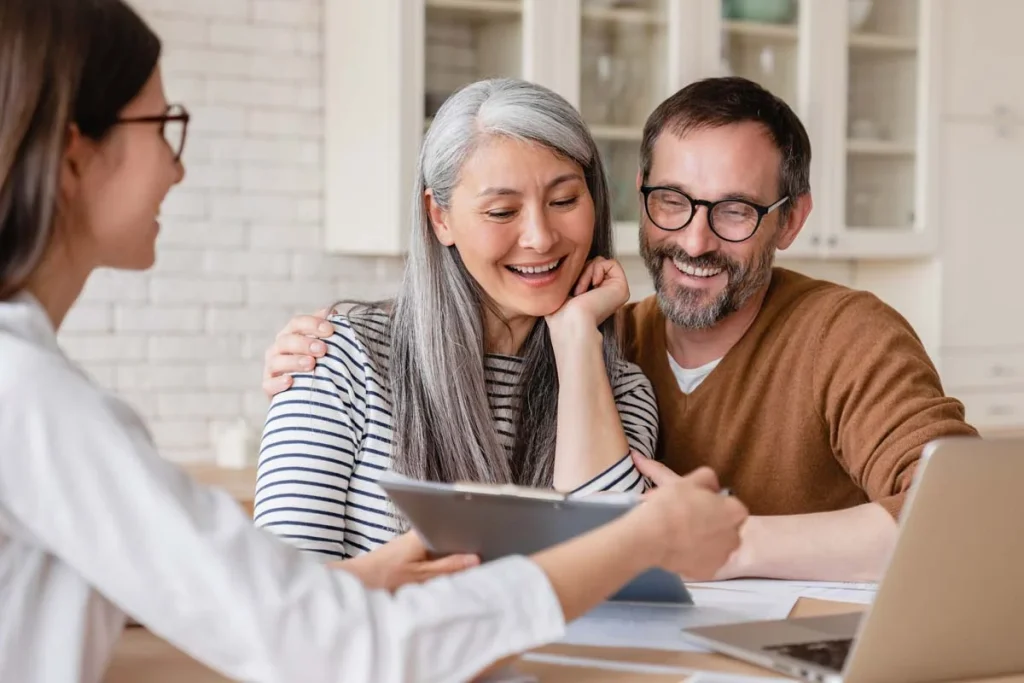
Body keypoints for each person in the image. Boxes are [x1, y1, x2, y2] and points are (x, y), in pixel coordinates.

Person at [0, 3, 751, 682]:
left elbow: (243, 604)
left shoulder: (31, 389)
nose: (177, 164)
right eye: (161, 127)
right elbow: (315, 635)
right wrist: (645, 534)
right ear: (73, 156)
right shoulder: (33, 397)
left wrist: (352, 586)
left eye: (564, 198)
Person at [265, 77, 978, 583]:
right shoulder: (342, 357)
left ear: (790, 219)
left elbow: (966, 518)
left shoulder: (615, 369)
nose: (695, 240)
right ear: (440, 217)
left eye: (735, 211)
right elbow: (262, 602)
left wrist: (727, 540)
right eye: (673, 202)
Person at [253, 77, 663, 565]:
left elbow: (610, 571)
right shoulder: (338, 361)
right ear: (440, 218)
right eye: (502, 210)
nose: (539, 236)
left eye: (564, 201)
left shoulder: (619, 390)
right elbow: (284, 601)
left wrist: (575, 337)